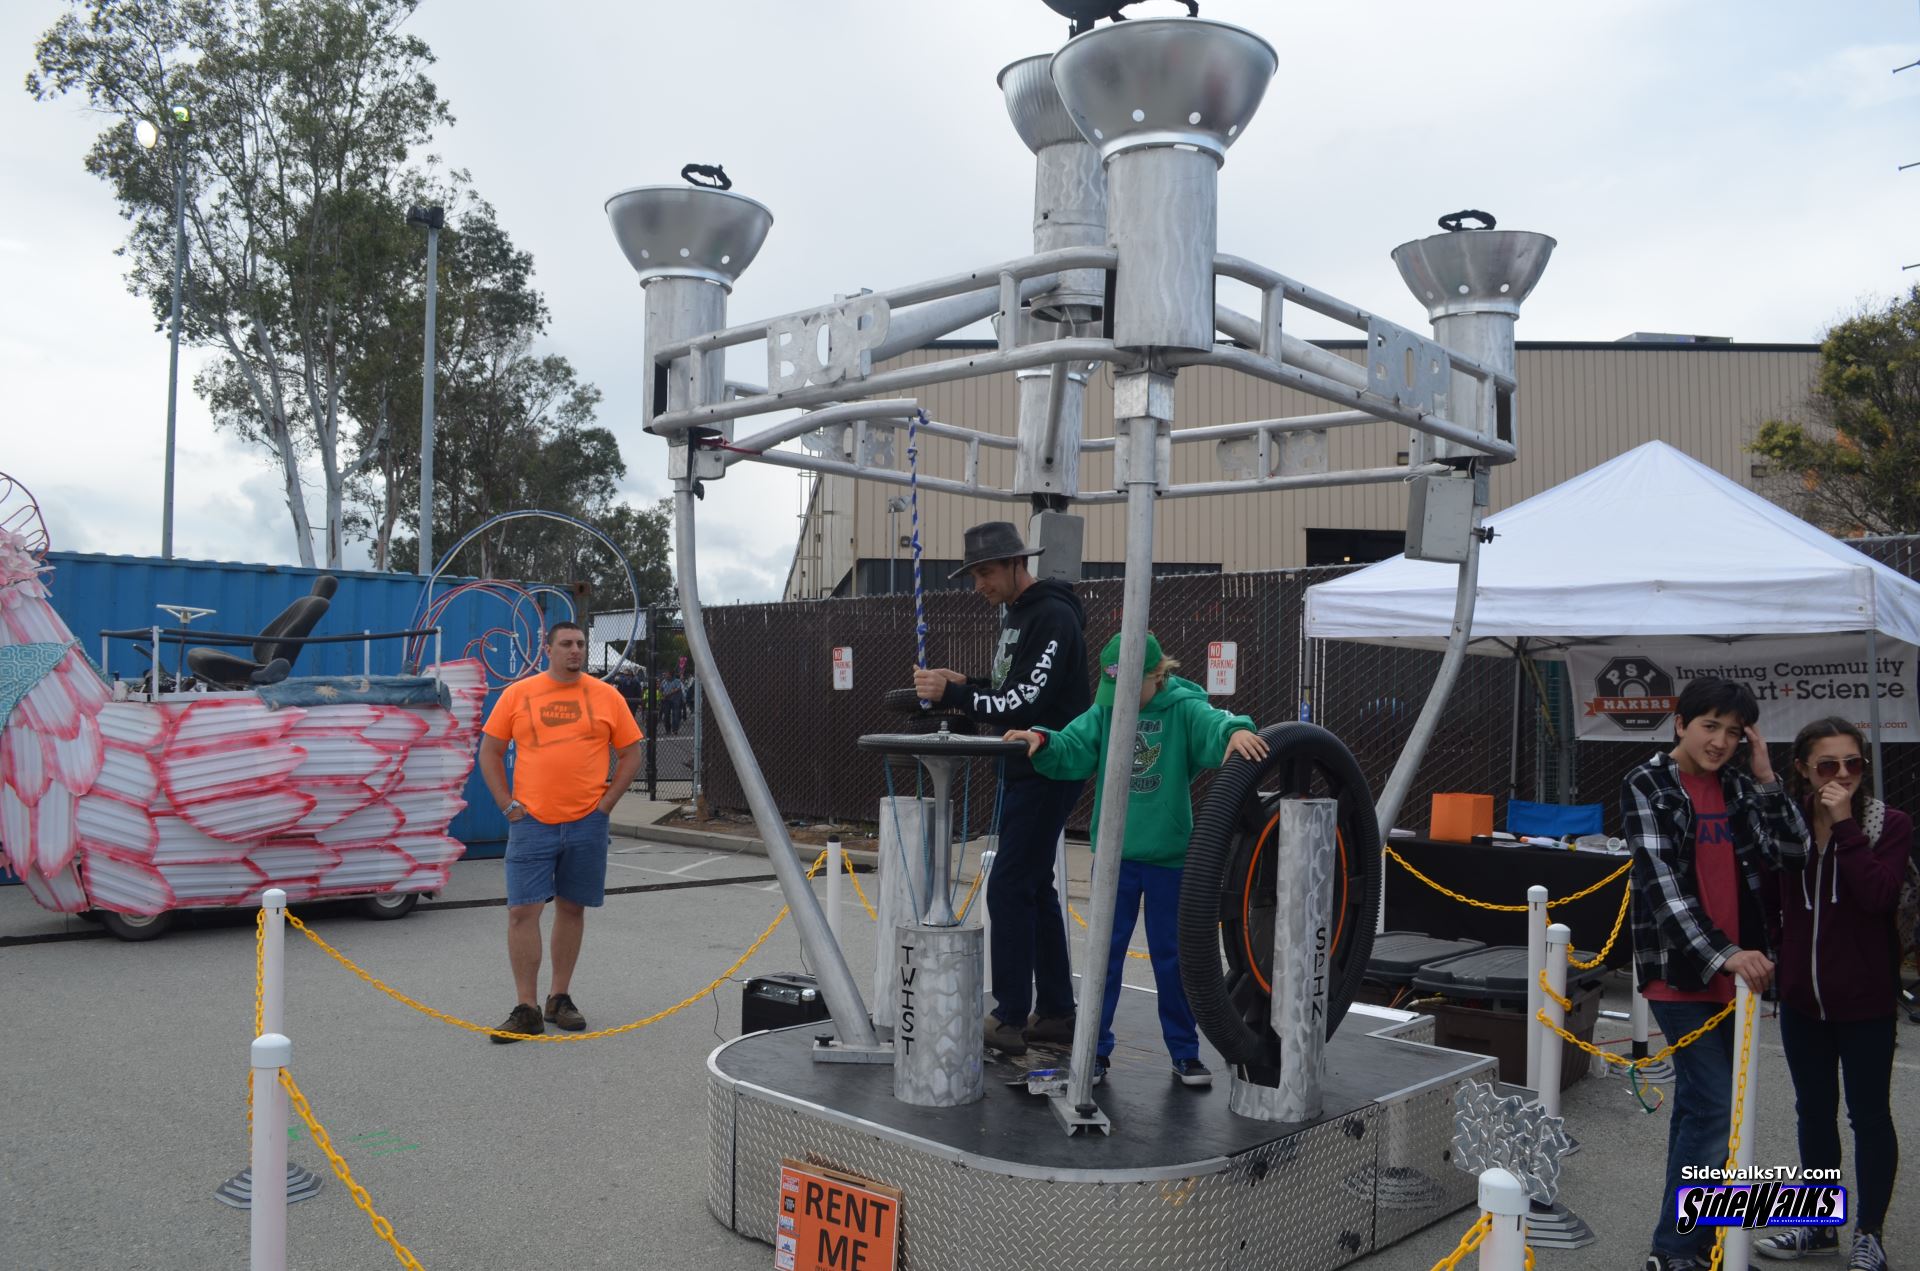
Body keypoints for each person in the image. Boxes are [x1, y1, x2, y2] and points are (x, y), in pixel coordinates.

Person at [1004, 632, 1267, 1087]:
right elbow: (1073, 744)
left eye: (1130, 687)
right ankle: (1094, 1049)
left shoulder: (1183, 708)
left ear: (1157, 674)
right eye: (1114, 689)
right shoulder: (1107, 711)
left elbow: (1215, 725)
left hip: (1168, 857)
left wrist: (1237, 731)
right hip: (1114, 858)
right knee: (1103, 958)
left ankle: (1184, 1052)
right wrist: (1041, 739)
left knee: (1174, 959)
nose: (1120, 700)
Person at [1624, 677, 1810, 1271]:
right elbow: (1662, 886)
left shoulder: (1739, 783)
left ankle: (1697, 1243)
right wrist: (1724, 953)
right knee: (1713, 1106)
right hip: (1680, 972)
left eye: (1733, 732)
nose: (1721, 741)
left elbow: (1793, 853)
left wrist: (1767, 778)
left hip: (1740, 977)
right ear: (1680, 723)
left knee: (1705, 1110)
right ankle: (1681, 1249)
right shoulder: (1647, 782)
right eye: (1710, 726)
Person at [910, 521, 1090, 1056]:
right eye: (974, 575)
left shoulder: (1052, 615)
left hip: (1048, 764)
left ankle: (1009, 1018)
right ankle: (1056, 1011)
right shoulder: (1017, 614)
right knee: (1033, 886)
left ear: (1017, 564)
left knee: (1009, 887)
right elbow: (1012, 688)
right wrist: (967, 684)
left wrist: (955, 697)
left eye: (985, 572)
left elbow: (1025, 703)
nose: (979, 585)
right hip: (1027, 767)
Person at [1754, 717, 1909, 1269]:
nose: (1842, 775)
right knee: (1813, 1113)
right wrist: (1784, 953)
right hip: (1803, 1001)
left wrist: (1844, 826)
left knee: (1869, 1116)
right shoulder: (1789, 822)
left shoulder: (1887, 823)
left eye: (1853, 763)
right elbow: (1770, 894)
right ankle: (1819, 1226)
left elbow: (1879, 896)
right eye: (1827, 765)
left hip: (1866, 1002)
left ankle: (1870, 1231)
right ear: (1803, 769)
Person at [478, 621, 645, 1042]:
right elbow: (490, 752)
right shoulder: (519, 694)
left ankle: (559, 998)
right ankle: (526, 1008)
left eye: (581, 644)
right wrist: (507, 804)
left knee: (572, 909)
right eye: (566, 643)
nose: (575, 650)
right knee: (522, 912)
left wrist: (605, 806)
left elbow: (630, 755)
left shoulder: (606, 696)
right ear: (547, 649)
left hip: (587, 822)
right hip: (531, 823)